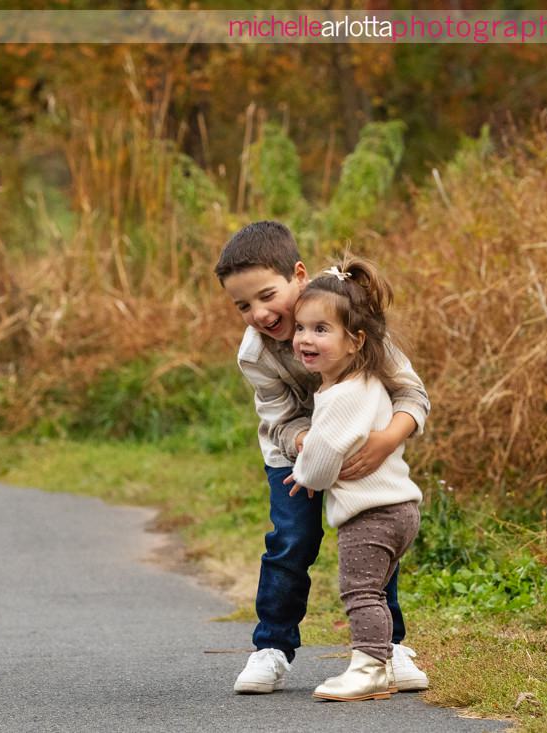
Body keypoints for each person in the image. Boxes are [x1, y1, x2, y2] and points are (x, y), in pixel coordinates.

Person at [214, 221, 429, 694]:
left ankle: (387, 646)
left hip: (363, 449)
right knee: (292, 541)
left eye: (267, 295)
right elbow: (278, 418)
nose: (259, 313)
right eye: (243, 306)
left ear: (298, 275)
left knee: (370, 536)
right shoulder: (255, 353)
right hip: (294, 455)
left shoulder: (348, 311)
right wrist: (307, 444)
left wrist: (387, 439)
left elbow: (411, 393)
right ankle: (272, 646)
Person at [288, 256, 423, 701]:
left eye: (321, 330)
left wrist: (303, 473)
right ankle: (389, 665)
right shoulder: (369, 382)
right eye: (301, 328)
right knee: (376, 591)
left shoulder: (340, 397)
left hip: (370, 515)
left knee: (360, 593)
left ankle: (369, 668)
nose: (305, 339)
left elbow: (321, 460)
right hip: (401, 509)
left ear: (355, 341)